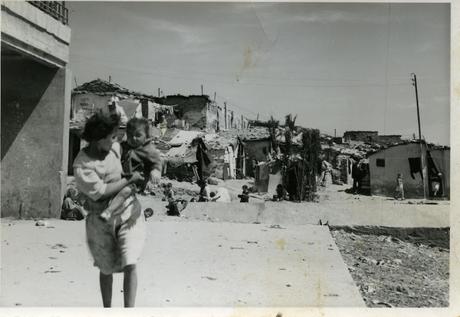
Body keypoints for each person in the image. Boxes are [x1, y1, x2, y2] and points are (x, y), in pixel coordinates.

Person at [73, 113, 145, 307]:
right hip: (100, 219)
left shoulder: (114, 148)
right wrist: (129, 179)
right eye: (112, 137)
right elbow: (101, 192)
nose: (116, 141)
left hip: (128, 212)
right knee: (106, 268)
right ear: (98, 140)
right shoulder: (82, 166)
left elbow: (130, 152)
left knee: (130, 261)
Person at [99, 117, 162, 221]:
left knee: (126, 191)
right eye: (130, 135)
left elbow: (156, 162)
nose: (134, 138)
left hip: (138, 179)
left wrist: (155, 171)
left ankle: (108, 212)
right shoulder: (123, 146)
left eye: (138, 135)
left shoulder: (148, 149)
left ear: (146, 136)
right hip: (123, 177)